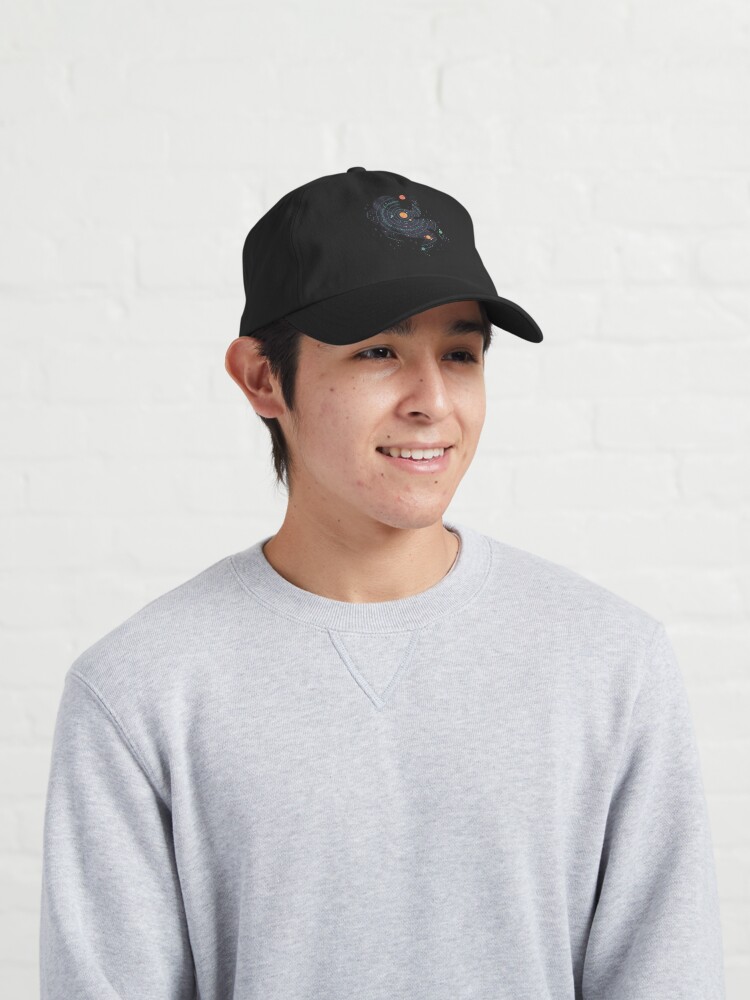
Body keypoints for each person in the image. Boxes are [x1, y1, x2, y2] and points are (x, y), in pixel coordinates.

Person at [40, 167, 726, 999]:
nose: (432, 400)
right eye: (378, 351)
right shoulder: (140, 690)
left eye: (461, 354)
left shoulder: (610, 661)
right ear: (262, 377)